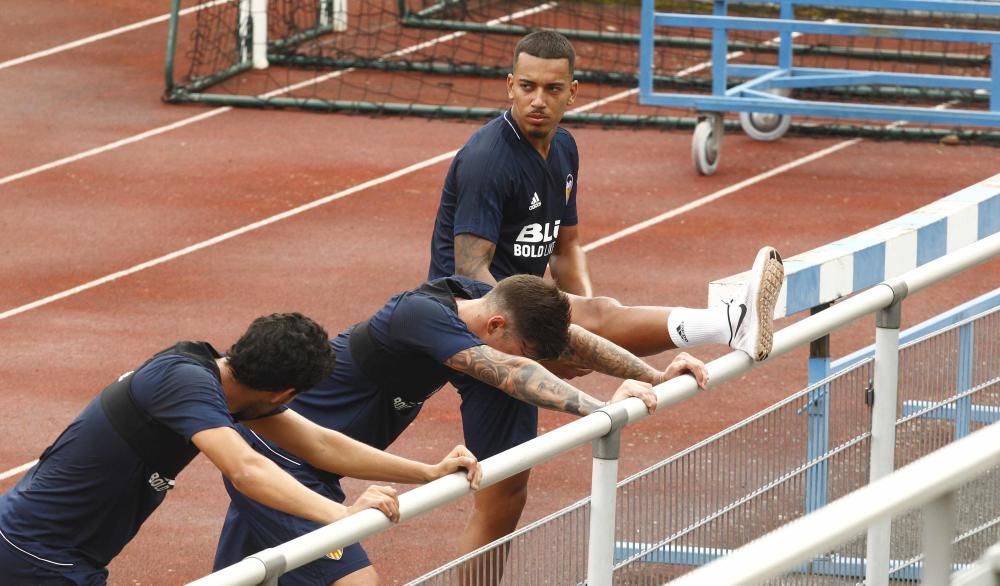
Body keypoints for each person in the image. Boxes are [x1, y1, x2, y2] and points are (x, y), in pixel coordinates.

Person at [426, 29, 786, 557]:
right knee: (498, 492)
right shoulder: (489, 160)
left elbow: (567, 251)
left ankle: (725, 323)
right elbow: (472, 272)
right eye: (526, 87)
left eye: (552, 89)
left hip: (522, 319)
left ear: (574, 91)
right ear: (508, 86)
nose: (537, 100)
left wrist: (574, 320)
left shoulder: (564, 149)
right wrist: (551, 334)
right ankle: (727, 323)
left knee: (506, 496)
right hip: (480, 330)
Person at [214, 275, 710, 585]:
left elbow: (573, 338)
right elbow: (517, 374)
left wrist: (651, 375)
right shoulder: (420, 316)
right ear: (495, 328)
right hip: (284, 460)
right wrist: (603, 410)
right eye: (522, 347)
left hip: (320, 462)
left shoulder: (473, 298)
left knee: (240, 576)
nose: (525, 358)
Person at [0, 313, 481, 586]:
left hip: (58, 554)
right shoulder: (183, 381)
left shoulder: (223, 384)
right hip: (38, 556)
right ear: (283, 392)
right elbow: (246, 467)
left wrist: (427, 472)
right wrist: (341, 515)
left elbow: (319, 442)